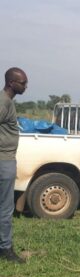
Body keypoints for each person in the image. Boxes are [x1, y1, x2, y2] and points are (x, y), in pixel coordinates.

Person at [0, 67, 28, 263]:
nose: (26, 86)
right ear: (11, 83)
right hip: (4, 161)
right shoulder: (3, 102)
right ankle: (5, 249)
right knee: (5, 207)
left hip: (5, 160)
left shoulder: (7, 102)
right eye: (23, 83)